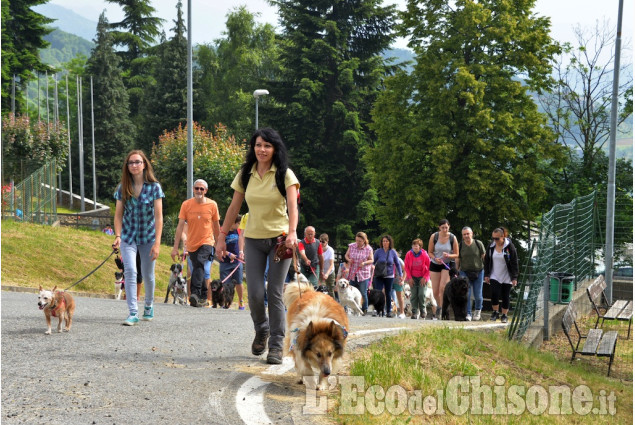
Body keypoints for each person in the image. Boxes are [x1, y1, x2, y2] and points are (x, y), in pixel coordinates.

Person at [215, 128, 299, 365]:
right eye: (258, 145)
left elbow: (293, 207)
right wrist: (221, 236)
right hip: (252, 239)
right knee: (254, 293)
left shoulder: (285, 174)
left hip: (280, 240)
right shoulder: (246, 174)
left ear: (275, 149)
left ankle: (275, 345)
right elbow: (233, 207)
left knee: (273, 291)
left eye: (267, 146)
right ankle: (262, 329)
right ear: (253, 147)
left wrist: (292, 232)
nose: (262, 150)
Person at [112, 150, 164, 326]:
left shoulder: (154, 187)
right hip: (128, 236)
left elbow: (159, 217)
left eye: (137, 162)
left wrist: (157, 243)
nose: (134, 165)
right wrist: (118, 236)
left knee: (148, 275)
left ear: (144, 164)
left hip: (148, 237)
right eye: (131, 163)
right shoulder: (123, 187)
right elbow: (118, 216)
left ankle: (148, 305)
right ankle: (133, 312)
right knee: (131, 272)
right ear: (127, 166)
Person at [171, 179, 220, 307]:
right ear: (193, 189)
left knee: (199, 261)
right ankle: (203, 296)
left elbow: (216, 226)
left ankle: (195, 293)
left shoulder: (212, 205)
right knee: (199, 267)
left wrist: (219, 244)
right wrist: (175, 247)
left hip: (207, 241)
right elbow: (180, 226)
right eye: (196, 188)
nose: (199, 191)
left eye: (201, 189)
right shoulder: (186, 205)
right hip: (192, 244)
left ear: (206, 191)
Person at [484, 227, 519, 323]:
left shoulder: (509, 247)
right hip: (494, 274)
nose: (495, 240)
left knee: (505, 296)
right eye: (493, 238)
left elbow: (514, 262)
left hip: (507, 275)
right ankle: (495, 312)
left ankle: (504, 315)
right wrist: (487, 274)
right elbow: (487, 261)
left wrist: (514, 277)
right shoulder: (491, 246)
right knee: (494, 293)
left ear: (503, 237)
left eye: (497, 238)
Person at [428, 219, 459, 319]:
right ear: (439, 228)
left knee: (442, 288)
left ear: (449, 227)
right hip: (435, 263)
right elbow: (430, 252)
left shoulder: (452, 237)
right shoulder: (434, 236)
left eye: (446, 227)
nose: (445, 229)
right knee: (435, 291)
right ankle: (440, 306)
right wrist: (434, 258)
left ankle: (442, 310)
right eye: (442, 228)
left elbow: (457, 254)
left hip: (447, 264)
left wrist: (449, 255)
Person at [457, 226, 486, 321]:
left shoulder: (478, 244)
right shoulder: (460, 245)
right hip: (464, 272)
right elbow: (458, 258)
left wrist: (488, 272)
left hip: (478, 271)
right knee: (466, 294)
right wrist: (457, 270)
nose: (466, 236)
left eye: (467, 234)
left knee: (478, 295)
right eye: (464, 234)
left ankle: (478, 310)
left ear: (472, 234)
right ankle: (468, 313)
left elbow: (484, 256)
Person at [372, 235, 403, 318]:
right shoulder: (378, 251)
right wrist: (372, 266)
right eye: (383, 241)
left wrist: (400, 274)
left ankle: (388, 311)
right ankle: (377, 310)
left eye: (386, 241)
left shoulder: (392, 252)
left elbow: (397, 264)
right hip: (379, 274)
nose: (384, 243)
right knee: (378, 292)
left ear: (389, 242)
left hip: (389, 275)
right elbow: (373, 261)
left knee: (388, 293)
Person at [219, 214, 245, 310]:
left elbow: (243, 242)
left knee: (239, 281)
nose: (239, 225)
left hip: (237, 262)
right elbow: (217, 245)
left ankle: (241, 301)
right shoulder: (222, 230)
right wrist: (228, 254)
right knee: (225, 283)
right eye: (238, 223)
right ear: (233, 223)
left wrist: (242, 253)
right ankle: (226, 301)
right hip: (225, 261)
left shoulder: (239, 231)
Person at [345, 232, 374, 315]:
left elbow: (371, 260)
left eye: (360, 241)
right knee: (351, 291)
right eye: (357, 240)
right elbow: (346, 255)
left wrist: (364, 263)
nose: (358, 242)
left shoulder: (368, 249)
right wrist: (349, 260)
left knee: (363, 292)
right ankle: (352, 308)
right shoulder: (352, 246)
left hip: (363, 273)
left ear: (364, 240)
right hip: (353, 272)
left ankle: (364, 309)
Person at [404, 238, 433, 320]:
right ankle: (414, 312)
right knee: (414, 295)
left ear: (420, 247)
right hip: (412, 277)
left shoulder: (424, 255)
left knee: (421, 294)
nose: (415, 247)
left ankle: (423, 310)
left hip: (422, 277)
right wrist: (409, 278)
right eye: (413, 245)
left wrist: (425, 278)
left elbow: (429, 267)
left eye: (416, 246)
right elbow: (406, 267)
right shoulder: (409, 254)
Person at [319, 233, 336, 298]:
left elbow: (331, 264)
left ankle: (333, 305)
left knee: (330, 290)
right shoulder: (318, 248)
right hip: (321, 271)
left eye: (323, 242)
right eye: (320, 241)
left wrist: (327, 274)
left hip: (329, 272)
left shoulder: (330, 250)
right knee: (320, 289)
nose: (321, 243)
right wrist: (321, 272)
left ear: (327, 241)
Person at [393, 252, 406, 318]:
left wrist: (403, 280)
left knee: (400, 297)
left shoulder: (399, 260)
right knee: (386, 295)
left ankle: (402, 312)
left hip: (398, 280)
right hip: (389, 280)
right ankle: (390, 311)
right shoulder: (387, 259)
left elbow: (405, 270)